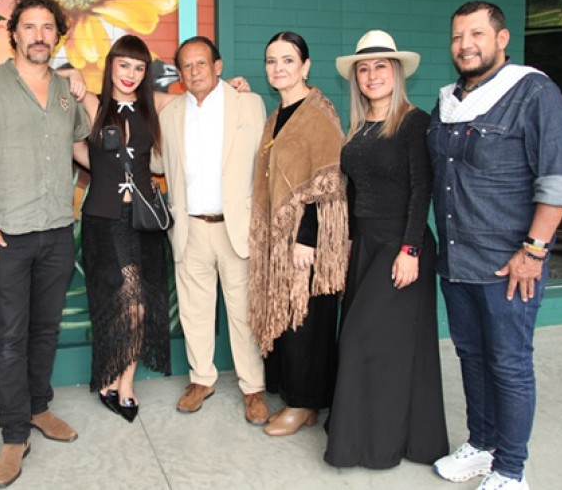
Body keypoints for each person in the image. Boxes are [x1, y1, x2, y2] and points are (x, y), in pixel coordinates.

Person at [428, 1, 562, 490]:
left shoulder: (533, 92)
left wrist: (533, 251)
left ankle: (511, 469)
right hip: (457, 260)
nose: (465, 44)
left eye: (476, 33)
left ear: (502, 38)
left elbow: (556, 180)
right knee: (471, 356)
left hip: (509, 263)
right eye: (456, 36)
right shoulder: (447, 100)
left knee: (509, 364)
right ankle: (481, 445)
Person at [0, 0, 90, 488]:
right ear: (13, 33)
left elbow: (79, 147)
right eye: (29, 27)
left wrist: (127, 175)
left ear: (58, 35)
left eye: (47, 28)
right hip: (5, 235)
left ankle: (39, 407)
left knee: (45, 330)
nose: (39, 36)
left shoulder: (63, 89)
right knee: (10, 338)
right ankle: (14, 433)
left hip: (57, 230)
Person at [324, 30, 448, 468]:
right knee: (384, 345)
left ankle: (371, 445)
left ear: (395, 72)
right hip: (366, 244)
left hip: (402, 242)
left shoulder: (414, 121)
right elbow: (353, 191)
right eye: (364, 68)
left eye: (380, 66)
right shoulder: (358, 128)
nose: (371, 75)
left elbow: (422, 188)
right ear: (355, 78)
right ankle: (395, 436)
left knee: (362, 337)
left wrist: (410, 249)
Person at [158, 35, 270, 425]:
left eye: (201, 64)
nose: (194, 72)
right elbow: (158, 161)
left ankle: (253, 388)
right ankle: (201, 380)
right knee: (194, 311)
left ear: (218, 67)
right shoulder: (170, 113)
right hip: (190, 228)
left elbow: (265, 160)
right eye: (186, 66)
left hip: (235, 228)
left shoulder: (249, 104)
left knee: (243, 313)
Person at [247, 31, 348, 437]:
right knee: (289, 321)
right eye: (272, 61)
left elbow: (328, 181)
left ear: (306, 66)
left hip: (305, 241)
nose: (279, 68)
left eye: (288, 60)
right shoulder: (277, 115)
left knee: (305, 320)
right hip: (279, 240)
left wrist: (307, 238)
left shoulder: (317, 112)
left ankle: (303, 403)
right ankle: (297, 397)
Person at [78, 35, 172, 423]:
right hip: (104, 221)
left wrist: (235, 86)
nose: (131, 74)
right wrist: (100, 169)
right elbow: (72, 139)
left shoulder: (157, 107)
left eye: (138, 67)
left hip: (144, 223)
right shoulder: (92, 105)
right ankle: (109, 375)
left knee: (139, 304)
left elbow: (201, 98)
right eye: (124, 65)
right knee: (119, 303)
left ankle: (124, 382)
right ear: (111, 66)